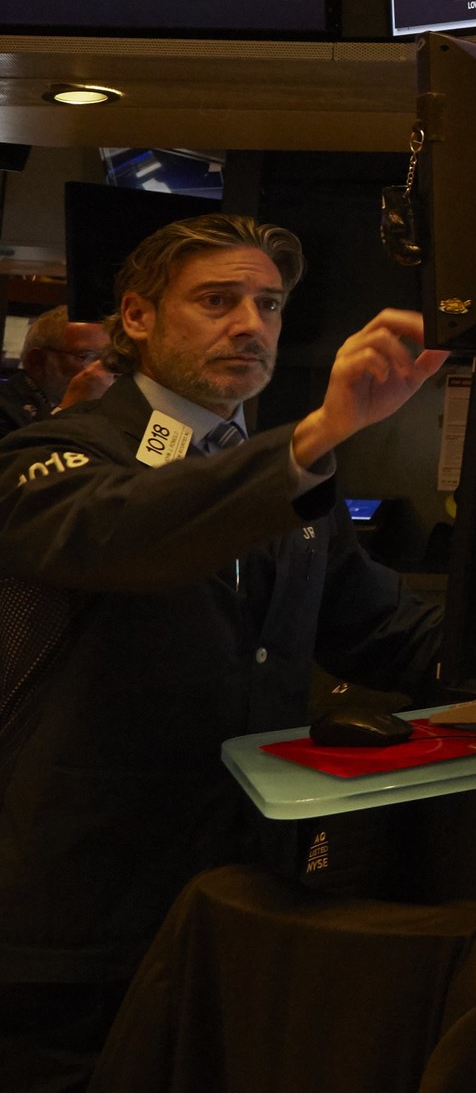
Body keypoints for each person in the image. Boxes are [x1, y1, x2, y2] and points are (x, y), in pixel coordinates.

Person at [0, 215, 451, 1093]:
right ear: (136, 317)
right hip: (70, 926)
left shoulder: (282, 472)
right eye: (217, 301)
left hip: (235, 896)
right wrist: (315, 439)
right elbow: (130, 528)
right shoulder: (55, 451)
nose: (250, 324)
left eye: (269, 304)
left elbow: (387, 633)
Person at [0, 308, 111, 434]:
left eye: (107, 358)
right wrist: (71, 408)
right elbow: (32, 452)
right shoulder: (5, 407)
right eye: (84, 356)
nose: (102, 371)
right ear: (37, 360)